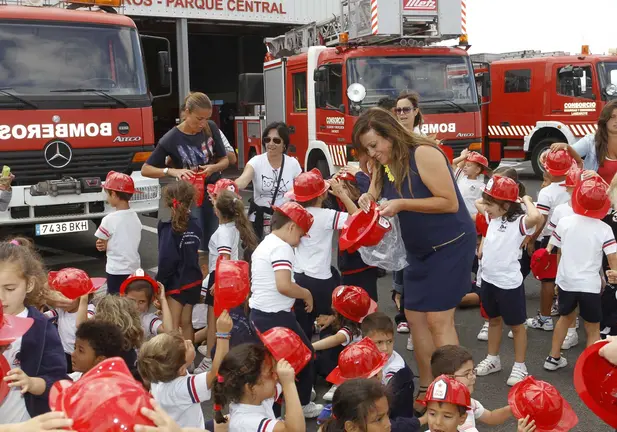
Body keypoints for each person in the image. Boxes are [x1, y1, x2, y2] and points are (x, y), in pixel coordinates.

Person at [355, 108, 476, 412]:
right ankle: (427, 387)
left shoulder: (424, 153)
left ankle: (457, 396)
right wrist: (367, 198)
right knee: (415, 317)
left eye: (374, 145)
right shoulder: (384, 163)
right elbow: (375, 191)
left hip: (450, 246)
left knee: (438, 320)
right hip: (417, 251)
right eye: (366, 148)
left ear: (390, 134)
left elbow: (449, 202)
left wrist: (402, 203)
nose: (372, 153)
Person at [248, 201, 323, 418]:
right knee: (305, 356)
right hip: (275, 317)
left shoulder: (267, 243)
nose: (299, 241)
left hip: (261, 315)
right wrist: (306, 293)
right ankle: (299, 406)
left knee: (272, 367)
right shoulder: (282, 248)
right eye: (300, 235)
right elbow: (284, 285)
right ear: (291, 227)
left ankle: (275, 414)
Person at [544, 175, 617, 371]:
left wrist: (559, 278)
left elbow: (558, 250)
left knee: (564, 318)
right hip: (590, 285)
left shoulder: (565, 223)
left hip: (567, 281)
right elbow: (612, 258)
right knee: (592, 327)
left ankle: (553, 357)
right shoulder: (605, 229)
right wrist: (613, 273)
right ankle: (590, 366)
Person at [474, 176, 541, 386]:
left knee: (517, 326)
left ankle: (520, 366)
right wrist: (490, 202)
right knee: (493, 320)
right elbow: (478, 203)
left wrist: (526, 200)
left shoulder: (519, 222)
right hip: (489, 279)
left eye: (490, 203)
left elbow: (536, 217)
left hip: (509, 284)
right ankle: (493, 359)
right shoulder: (492, 216)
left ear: (505, 205)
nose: (485, 207)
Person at [141, 92, 230, 249]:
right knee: (194, 241)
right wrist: (172, 171)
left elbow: (226, 160)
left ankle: (213, 272)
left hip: (213, 192)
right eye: (199, 118)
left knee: (216, 241)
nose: (202, 123)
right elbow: (146, 169)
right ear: (186, 112)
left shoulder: (211, 127)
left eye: (206, 118)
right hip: (190, 196)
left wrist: (213, 168)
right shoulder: (171, 138)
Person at [0, 240, 68, 421]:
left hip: (23, 420)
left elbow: (57, 380)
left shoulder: (40, 327)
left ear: (29, 285)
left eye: (9, 288)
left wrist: (31, 383)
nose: (1, 297)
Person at [287, 170, 356, 340]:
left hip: (297, 277)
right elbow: (356, 218)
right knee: (328, 324)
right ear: (323, 195)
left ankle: (304, 360)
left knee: (302, 328)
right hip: (320, 279)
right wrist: (341, 194)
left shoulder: (294, 213)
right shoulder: (327, 216)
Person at [137, 310, 231, 429]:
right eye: (187, 346)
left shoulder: (158, 373)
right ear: (181, 369)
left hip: (177, 428)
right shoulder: (180, 389)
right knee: (238, 421)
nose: (189, 341)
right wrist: (223, 334)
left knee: (232, 420)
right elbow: (217, 371)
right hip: (192, 430)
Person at [200, 186, 258, 372]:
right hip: (235, 277)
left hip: (222, 277)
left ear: (218, 211)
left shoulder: (223, 232)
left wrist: (218, 281)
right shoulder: (235, 227)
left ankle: (210, 359)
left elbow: (224, 257)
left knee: (214, 322)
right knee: (230, 319)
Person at [526, 149, 575, 332]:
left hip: (551, 239)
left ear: (548, 171)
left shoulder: (547, 192)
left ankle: (545, 319)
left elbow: (541, 218)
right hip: (573, 237)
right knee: (568, 278)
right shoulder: (575, 185)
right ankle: (571, 320)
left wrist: (531, 239)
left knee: (548, 280)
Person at [211, 344, 305, 432]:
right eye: (271, 373)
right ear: (251, 388)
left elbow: (280, 382)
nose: (276, 376)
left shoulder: (256, 399)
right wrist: (289, 384)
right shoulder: (246, 422)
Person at [234, 122, 302, 239]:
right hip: (259, 220)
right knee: (257, 254)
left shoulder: (293, 164)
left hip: (284, 221)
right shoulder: (256, 161)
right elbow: (243, 180)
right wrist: (228, 186)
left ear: (284, 144)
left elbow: (302, 189)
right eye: (267, 139)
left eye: (276, 140)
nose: (270, 143)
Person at [157, 181, 203, 343]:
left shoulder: (169, 228)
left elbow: (166, 260)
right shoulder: (196, 223)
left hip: (176, 283)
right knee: (187, 322)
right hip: (193, 280)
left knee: (172, 327)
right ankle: (189, 360)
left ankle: (175, 362)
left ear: (169, 202)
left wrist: (160, 283)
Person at [430, 345, 512, 431]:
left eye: (472, 371)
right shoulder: (442, 410)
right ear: (448, 379)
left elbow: (491, 417)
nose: (473, 377)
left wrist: (512, 408)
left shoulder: (469, 402)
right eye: (466, 374)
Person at [312, 285, 370, 401]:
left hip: (343, 365)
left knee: (313, 358)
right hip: (355, 362)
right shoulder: (358, 322)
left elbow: (336, 339)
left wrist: (310, 347)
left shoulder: (350, 331)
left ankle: (310, 386)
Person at [546, 100, 617, 184]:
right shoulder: (591, 141)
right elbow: (570, 151)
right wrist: (548, 152)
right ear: (605, 119)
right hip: (596, 195)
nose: (616, 120)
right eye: (613, 116)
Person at [95, 171, 142, 294]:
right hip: (134, 268)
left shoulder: (109, 219)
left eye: (108, 194)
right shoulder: (135, 216)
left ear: (114, 194)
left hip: (116, 270)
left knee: (115, 302)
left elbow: (101, 242)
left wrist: (102, 245)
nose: (107, 198)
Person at [361, 312, 415, 420]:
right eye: (379, 342)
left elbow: (386, 402)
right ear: (364, 342)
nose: (385, 348)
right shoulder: (362, 354)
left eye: (389, 341)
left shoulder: (397, 370)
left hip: (394, 418)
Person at [121, 271, 173, 340]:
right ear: (124, 296)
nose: (136, 306)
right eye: (132, 301)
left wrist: (162, 300)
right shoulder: (117, 314)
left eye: (142, 302)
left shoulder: (148, 320)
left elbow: (168, 331)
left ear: (150, 301)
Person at [451, 149, 490, 217]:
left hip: (472, 216)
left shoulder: (481, 186)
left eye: (468, 165)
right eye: (465, 165)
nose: (465, 167)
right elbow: (452, 163)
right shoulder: (461, 176)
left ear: (477, 170)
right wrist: (462, 157)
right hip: (459, 214)